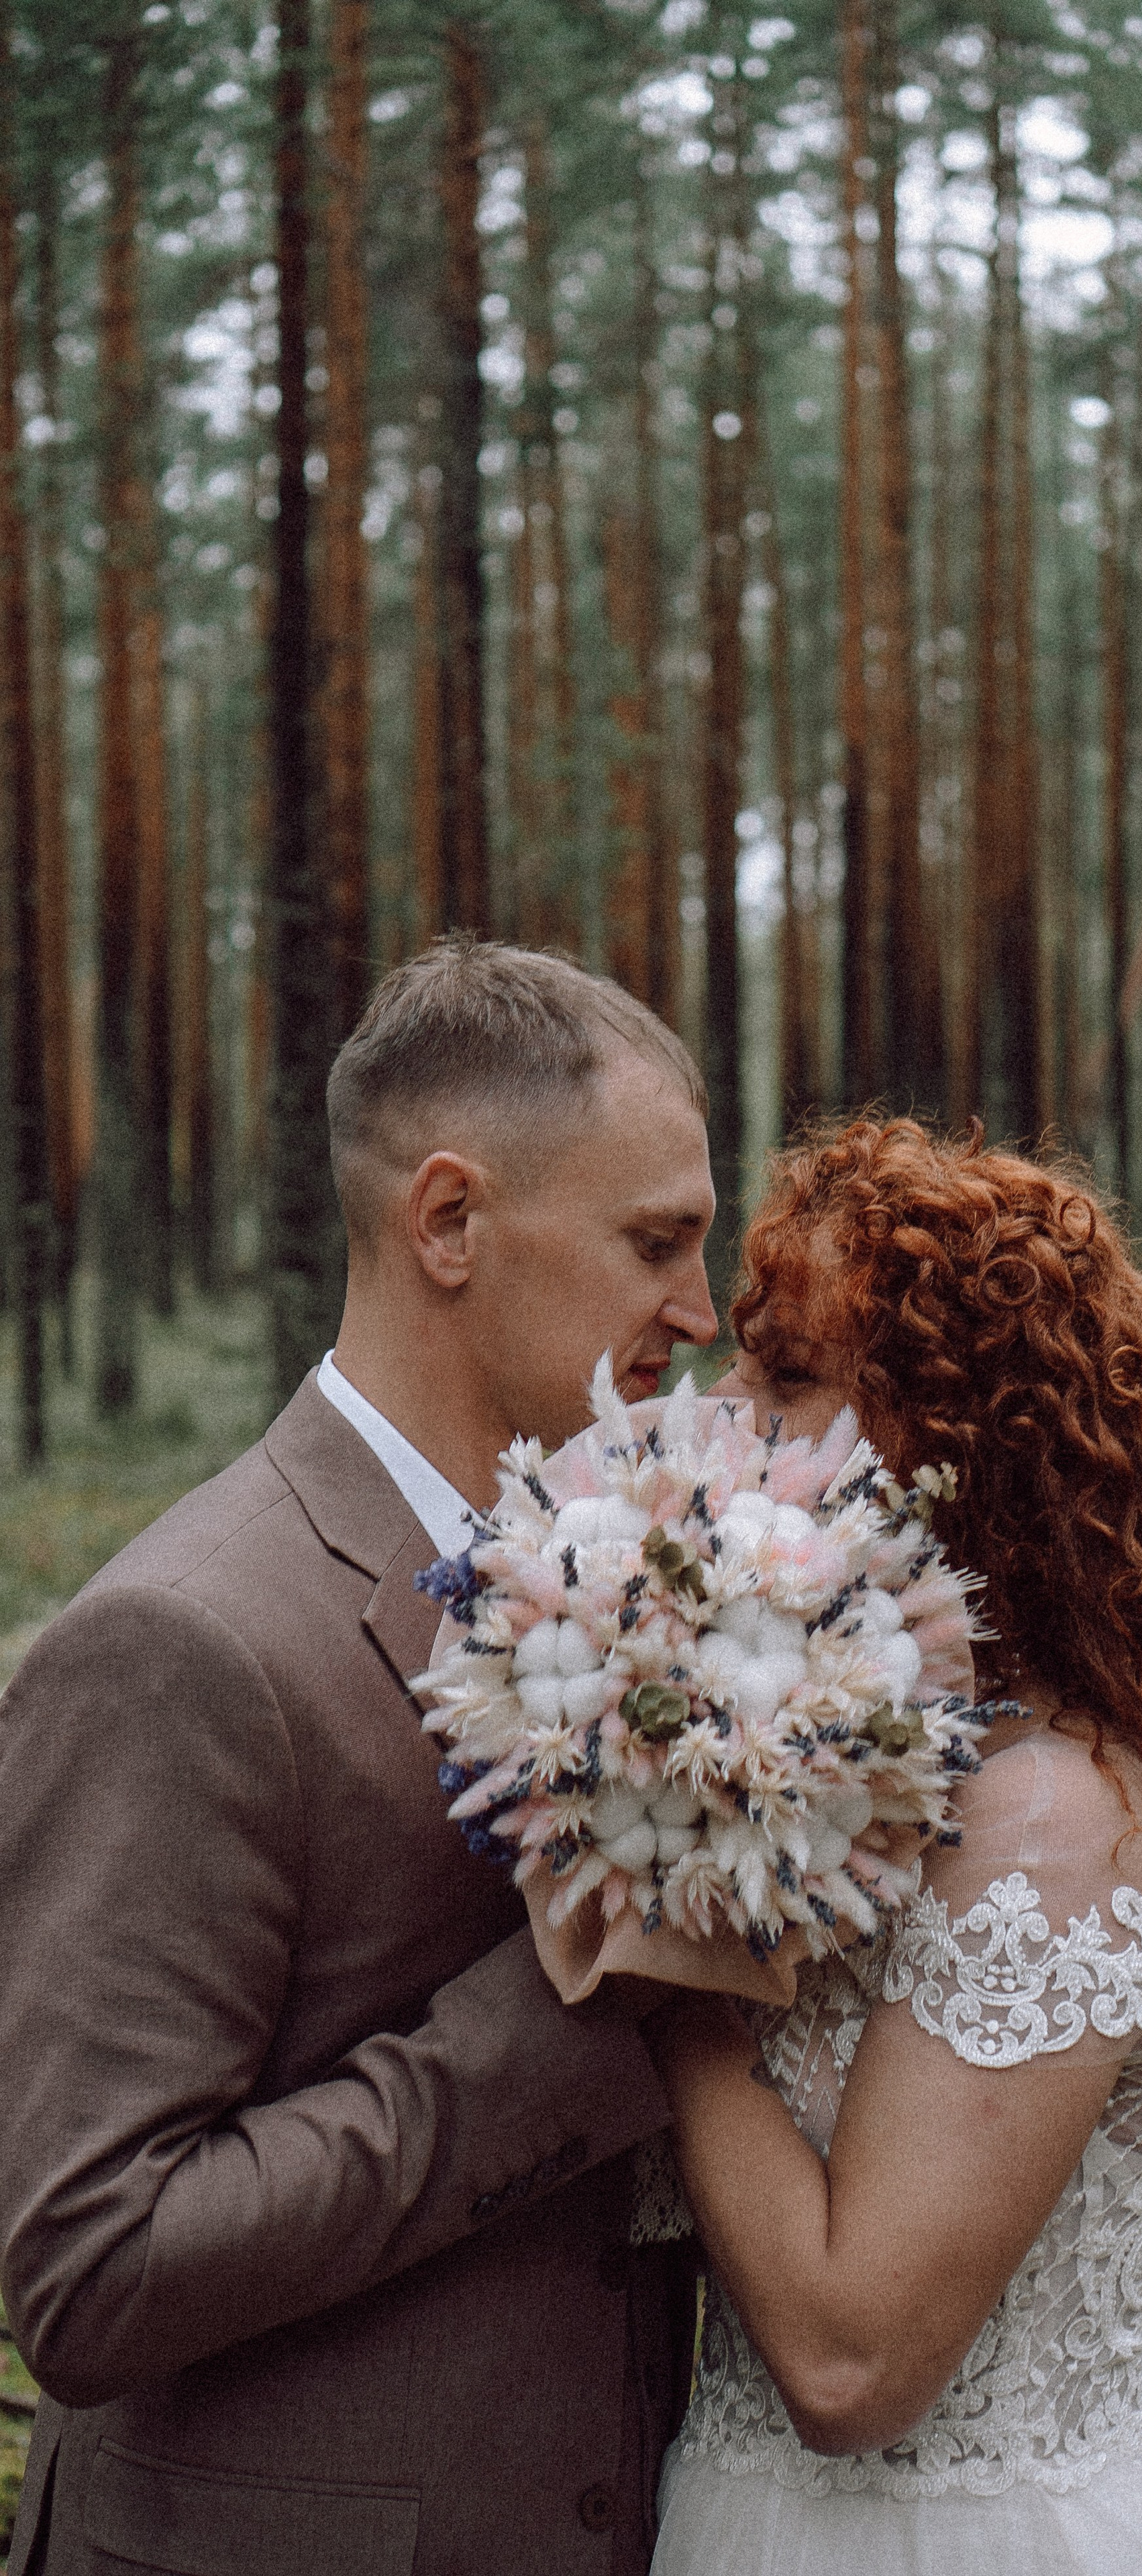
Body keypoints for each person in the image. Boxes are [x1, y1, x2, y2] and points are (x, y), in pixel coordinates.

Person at [0, 938, 719, 2576]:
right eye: (654, 1242)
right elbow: (87, 2272)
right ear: (449, 1222)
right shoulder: (179, 1647)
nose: (697, 1306)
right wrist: (570, 2022)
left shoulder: (630, 1578)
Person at [647, 1117, 1142, 2576]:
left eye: (786, 1374)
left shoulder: (1049, 1823)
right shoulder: (879, 1760)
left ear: (963, 1435)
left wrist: (655, 1957)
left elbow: (851, 2364)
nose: (720, 1410)